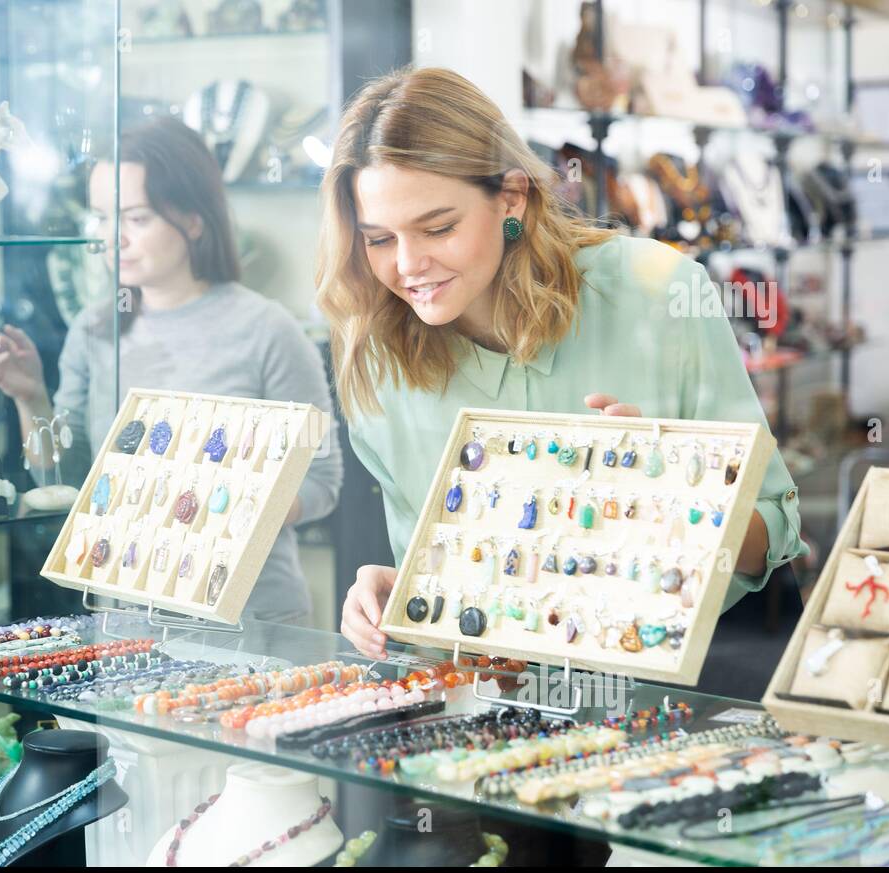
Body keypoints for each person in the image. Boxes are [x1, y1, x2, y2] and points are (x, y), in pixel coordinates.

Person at [317, 68, 806, 660]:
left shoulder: (660, 292)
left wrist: (673, 496)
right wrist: (405, 592)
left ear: (512, 198)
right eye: (378, 240)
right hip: (482, 722)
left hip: (660, 706)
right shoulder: (376, 354)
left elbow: (772, 537)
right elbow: (455, 577)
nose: (409, 264)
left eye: (438, 227)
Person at [0, 117, 342, 625]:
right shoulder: (94, 329)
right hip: (124, 619)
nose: (112, 238)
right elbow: (65, 479)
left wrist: (230, 510)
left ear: (193, 219)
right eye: (102, 219)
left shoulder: (267, 330)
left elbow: (321, 481)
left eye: (136, 218)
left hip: (250, 619)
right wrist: (30, 398)